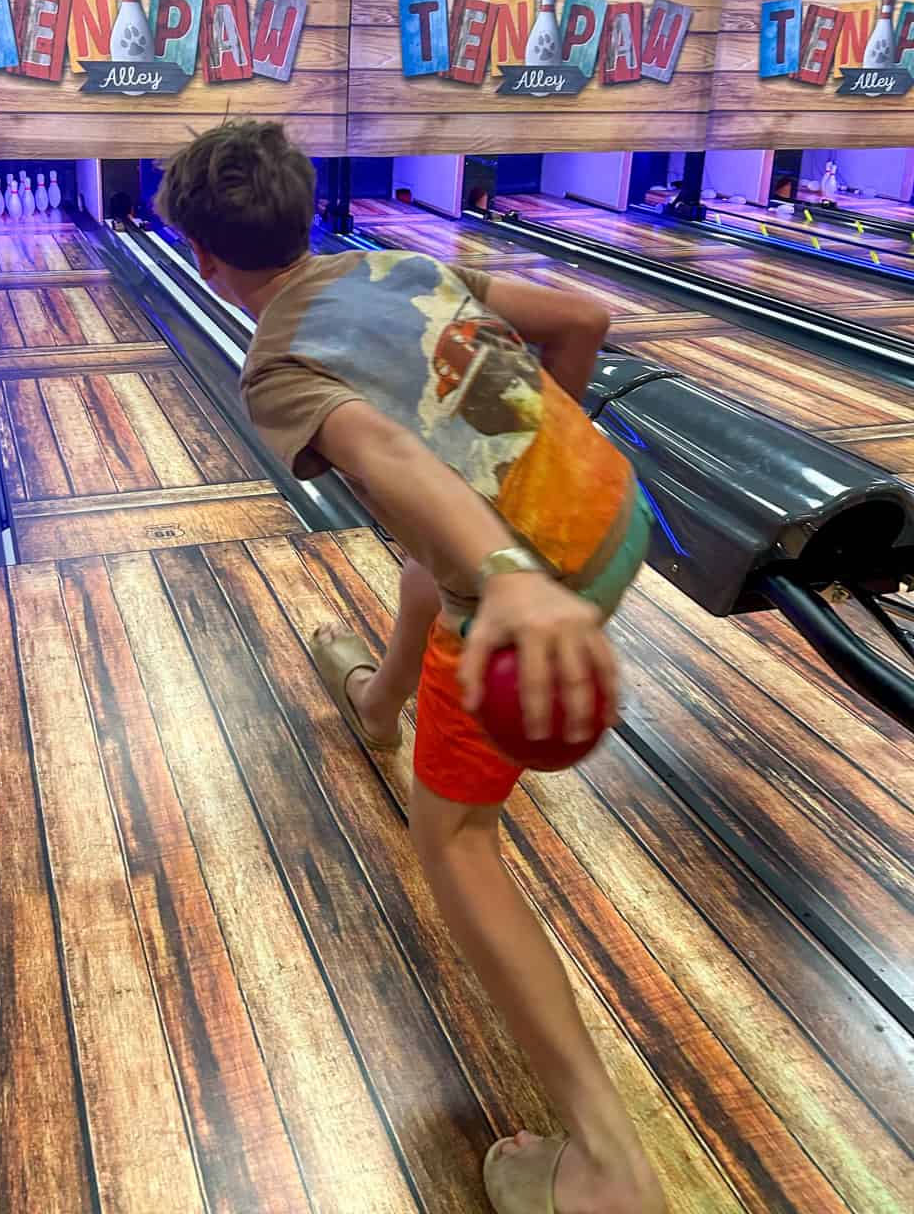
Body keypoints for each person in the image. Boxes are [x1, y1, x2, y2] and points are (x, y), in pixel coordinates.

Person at [156, 120, 664, 1214]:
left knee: (457, 840)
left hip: (535, 590)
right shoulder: (398, 264)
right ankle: (380, 704)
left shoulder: (279, 365)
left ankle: (609, 1166)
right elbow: (582, 319)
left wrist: (509, 565)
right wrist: (528, 471)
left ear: (202, 256)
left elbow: (382, 449)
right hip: (616, 502)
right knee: (425, 558)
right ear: (306, 212)